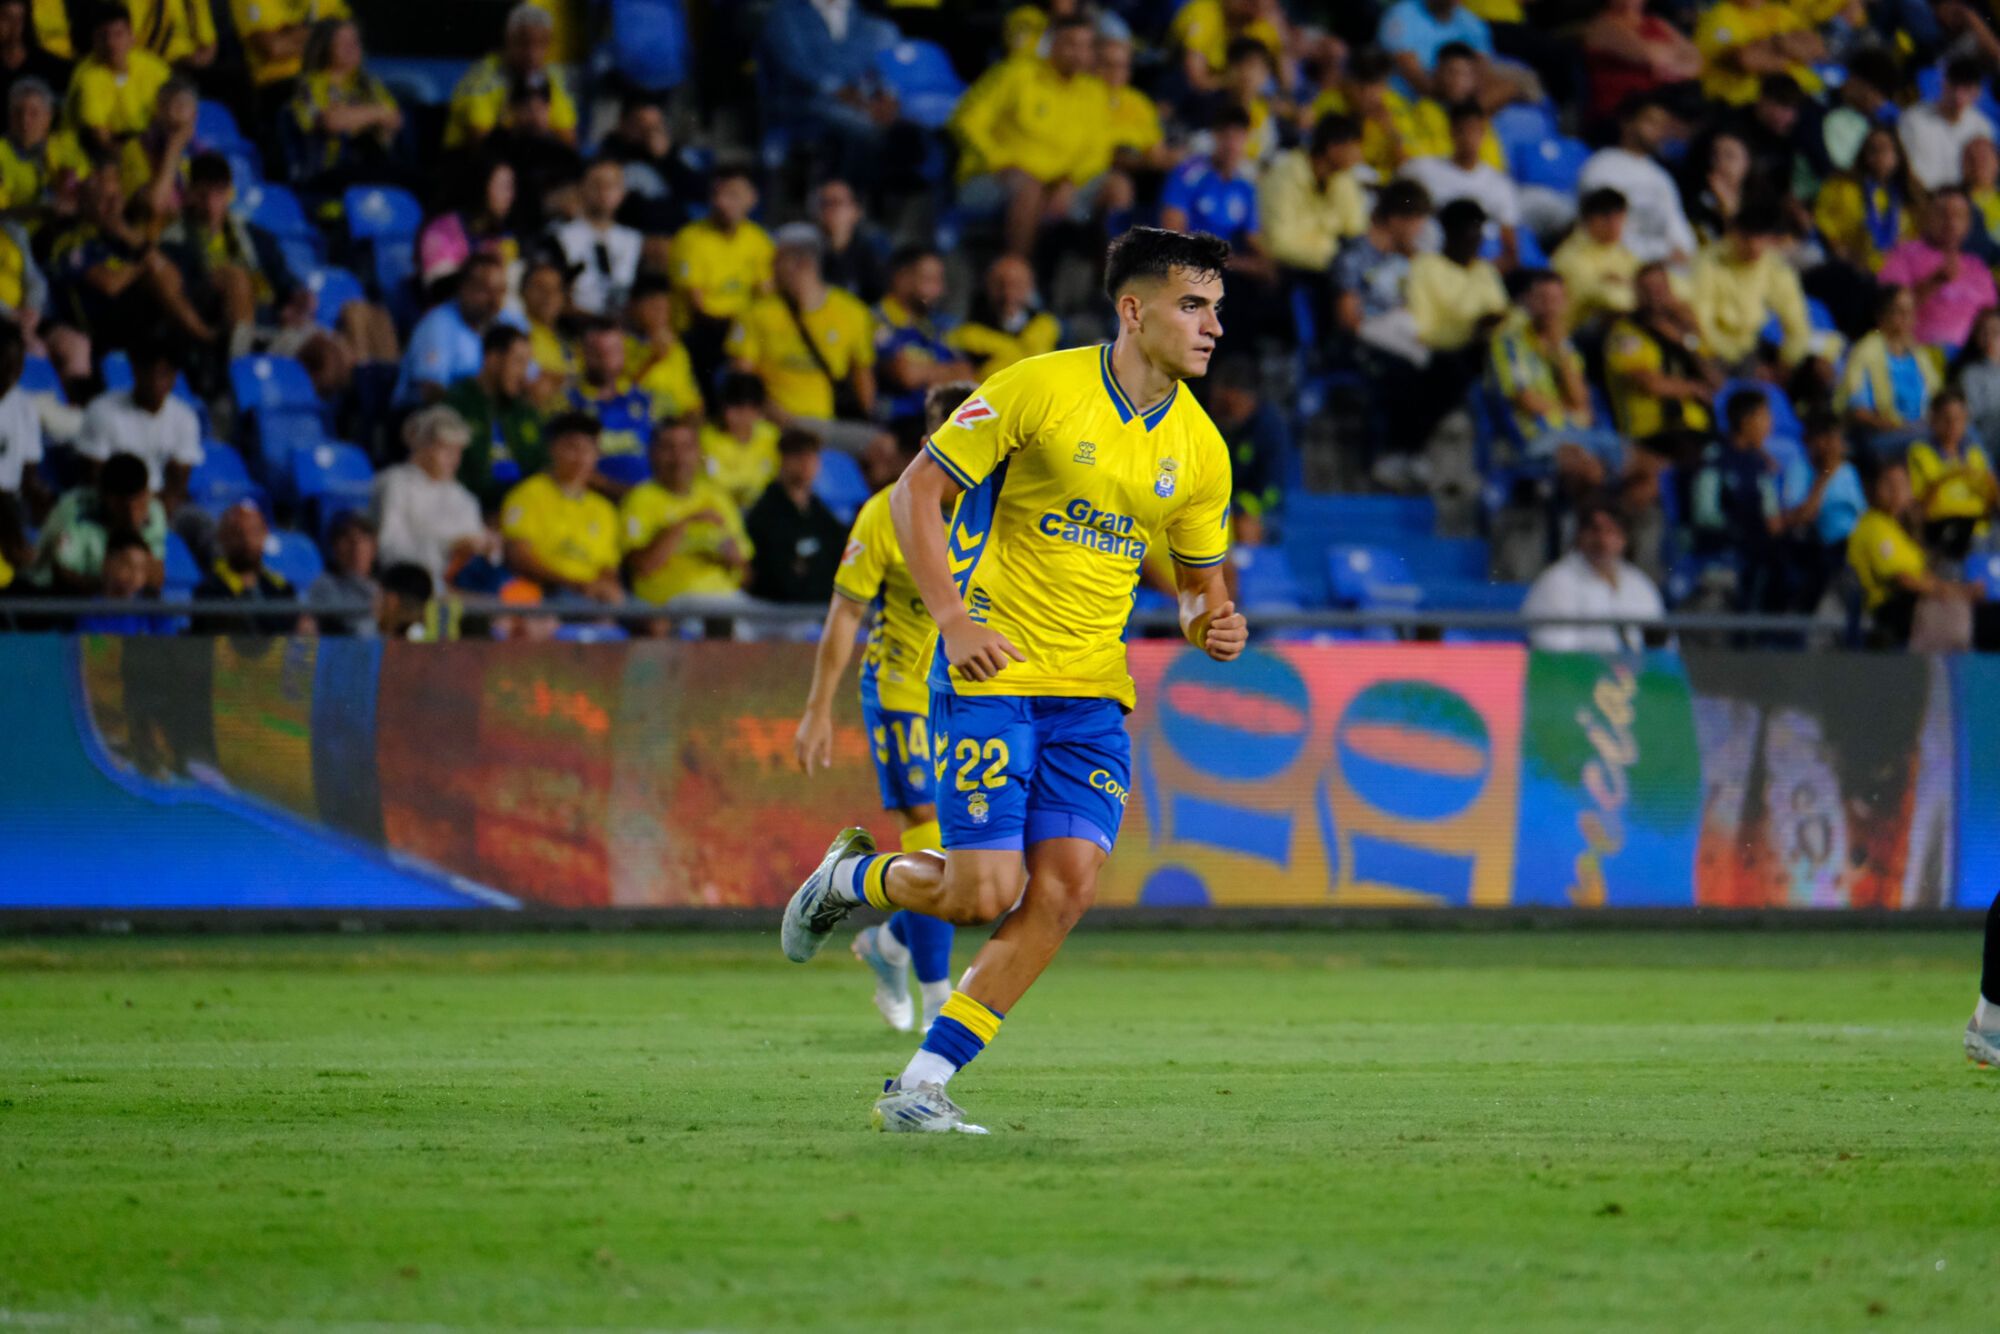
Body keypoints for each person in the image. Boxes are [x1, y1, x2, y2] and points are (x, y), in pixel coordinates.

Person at [778, 228, 1247, 1135]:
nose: (1212, 326)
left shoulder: (1201, 449)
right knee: (982, 893)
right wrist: (953, 620)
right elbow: (916, 492)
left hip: (1092, 695)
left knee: (1065, 889)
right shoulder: (1036, 387)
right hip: (995, 672)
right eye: (1194, 305)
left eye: (1218, 309)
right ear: (1134, 309)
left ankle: (918, 1086)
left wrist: (1211, 627)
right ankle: (852, 879)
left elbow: (1198, 590)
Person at [793, 382, 973, 1035]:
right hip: (900, 692)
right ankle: (938, 1006)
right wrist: (819, 709)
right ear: (930, 443)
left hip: (969, 697)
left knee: (977, 864)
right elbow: (846, 613)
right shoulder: (886, 512)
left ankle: (892, 943)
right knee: (929, 837)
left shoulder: (1004, 510)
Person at [948, 15, 1106, 259]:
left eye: (1086, 46)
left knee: (1118, 188)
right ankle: (1018, 273)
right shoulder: (1016, 74)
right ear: (1051, 44)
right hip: (993, 177)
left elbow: (1099, 150)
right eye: (1070, 44)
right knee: (1029, 188)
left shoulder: (1094, 92)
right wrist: (1000, 161)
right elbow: (965, 121)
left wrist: (1069, 181)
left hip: (1061, 184)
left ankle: (1111, 282)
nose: (1078, 53)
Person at [725, 223, 882, 457]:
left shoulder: (851, 312)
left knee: (884, 447)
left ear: (803, 264)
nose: (771, 269)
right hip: (774, 422)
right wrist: (779, 416)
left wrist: (867, 418)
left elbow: (864, 387)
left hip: (828, 425)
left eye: (777, 261)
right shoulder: (756, 314)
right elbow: (743, 384)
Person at [1490, 270, 1626, 492]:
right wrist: (1571, 411)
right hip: (1538, 437)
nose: (1549, 307)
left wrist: (1559, 352)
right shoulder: (1509, 343)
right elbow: (1526, 400)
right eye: (1542, 299)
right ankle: (1592, 523)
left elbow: (1582, 400)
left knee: (1646, 466)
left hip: (1581, 433)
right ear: (1528, 302)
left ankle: (1609, 523)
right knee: (1589, 469)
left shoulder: (1566, 345)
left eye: (1555, 300)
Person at [619, 414, 753, 609]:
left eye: (686, 447)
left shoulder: (718, 498)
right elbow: (643, 567)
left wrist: (735, 561)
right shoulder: (639, 499)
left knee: (797, 627)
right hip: (672, 603)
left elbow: (746, 576)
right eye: (668, 448)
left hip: (728, 598)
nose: (678, 457)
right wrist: (687, 522)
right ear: (652, 453)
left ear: (698, 452)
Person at [498, 411, 622, 603]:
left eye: (588, 449)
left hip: (592, 595)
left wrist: (605, 588)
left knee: (653, 620)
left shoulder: (603, 508)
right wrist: (574, 584)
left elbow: (608, 567)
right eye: (572, 447)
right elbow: (519, 557)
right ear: (552, 449)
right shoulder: (528, 494)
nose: (580, 457)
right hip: (547, 591)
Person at [1604, 262, 1719, 466]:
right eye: (1647, 289)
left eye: (1660, 287)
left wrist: (1687, 339)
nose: (1655, 294)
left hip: (1696, 426)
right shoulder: (1626, 333)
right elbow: (1650, 383)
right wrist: (1693, 389)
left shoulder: (1683, 328)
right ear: (1637, 293)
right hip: (1654, 431)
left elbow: (1716, 380)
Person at [1848, 454, 1969, 648]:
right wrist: (1952, 591)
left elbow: (1923, 574)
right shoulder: (1873, 525)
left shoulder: (1901, 529)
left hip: (1912, 609)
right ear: (1873, 489)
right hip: (1888, 612)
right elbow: (1904, 580)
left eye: (1902, 484)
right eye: (1888, 483)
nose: (1896, 490)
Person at [668, 165, 773, 387]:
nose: (722, 203)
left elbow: (766, 294)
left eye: (733, 195)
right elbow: (697, 307)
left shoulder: (759, 240)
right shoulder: (690, 239)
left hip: (743, 333)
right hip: (702, 333)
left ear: (752, 199)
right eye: (717, 194)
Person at [1520, 495, 1664, 652]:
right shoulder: (1556, 581)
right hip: (1578, 673)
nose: (1603, 540)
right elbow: (1553, 650)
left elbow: (1662, 646)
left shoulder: (1639, 582)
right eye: (1595, 530)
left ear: (1625, 538)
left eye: (1612, 531)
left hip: (1633, 673)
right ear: (1580, 535)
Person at [286, 16, 402, 202]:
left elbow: (394, 118)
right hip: (326, 171)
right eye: (343, 42)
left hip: (370, 165)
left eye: (355, 41)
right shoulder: (310, 85)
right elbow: (331, 122)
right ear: (325, 47)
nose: (352, 48)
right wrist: (374, 113)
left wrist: (350, 115)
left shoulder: (369, 85)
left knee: (414, 181)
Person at [1691, 386, 1785, 610]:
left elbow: (1771, 515)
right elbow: (1704, 513)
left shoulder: (1759, 462)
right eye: (1765, 416)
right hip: (1722, 553)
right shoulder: (1715, 459)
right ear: (1745, 420)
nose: (1770, 424)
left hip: (1755, 552)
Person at [75, 339, 200, 506]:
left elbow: (176, 488)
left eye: (164, 373)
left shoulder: (186, 418)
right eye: (149, 372)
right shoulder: (101, 411)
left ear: (175, 376)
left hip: (161, 508)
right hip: (114, 506)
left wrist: (156, 515)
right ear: (135, 370)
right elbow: (95, 480)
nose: (156, 382)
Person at [373, 404, 488, 584]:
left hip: (466, 585)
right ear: (424, 446)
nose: (454, 460)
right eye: (446, 450)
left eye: (458, 452)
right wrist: (448, 547)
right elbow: (390, 549)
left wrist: (487, 547)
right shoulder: (395, 484)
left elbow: (478, 549)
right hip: (413, 585)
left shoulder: (464, 497)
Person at [1579, 93, 1697, 266]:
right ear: (1627, 122)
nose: (1658, 131)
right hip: (1615, 266)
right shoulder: (1600, 167)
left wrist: (1684, 251)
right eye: (1651, 122)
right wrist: (1659, 254)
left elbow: (1676, 226)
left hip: (1664, 270)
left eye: (1662, 125)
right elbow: (1602, 230)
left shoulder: (1661, 177)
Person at [1690, 201, 1810, 371]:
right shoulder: (1709, 263)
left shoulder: (1776, 268)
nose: (1754, 246)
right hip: (1714, 350)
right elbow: (1700, 322)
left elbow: (1796, 323)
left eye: (1760, 238)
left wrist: (1786, 362)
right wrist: (1738, 358)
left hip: (1753, 347)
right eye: (1747, 238)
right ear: (1734, 234)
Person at [874, 245, 974, 444]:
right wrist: (943, 372)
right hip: (895, 424)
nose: (940, 289)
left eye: (940, 280)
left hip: (938, 420)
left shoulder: (939, 326)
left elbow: (965, 373)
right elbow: (905, 375)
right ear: (901, 279)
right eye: (930, 280)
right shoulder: (878, 320)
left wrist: (925, 372)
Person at [444, 3, 577, 151]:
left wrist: (544, 130)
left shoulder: (551, 80)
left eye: (541, 44)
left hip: (523, 160)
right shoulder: (483, 78)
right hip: (468, 160)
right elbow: (478, 138)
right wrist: (516, 124)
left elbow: (569, 140)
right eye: (523, 43)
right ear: (508, 40)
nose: (532, 54)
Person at [1398, 101, 1521, 260]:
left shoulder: (1500, 185)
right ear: (1451, 133)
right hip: (1425, 259)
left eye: (1475, 131)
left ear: (1483, 134)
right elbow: (1396, 209)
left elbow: (1510, 249)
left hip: (1476, 265)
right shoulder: (1421, 169)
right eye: (1463, 131)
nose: (1469, 138)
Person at [1879, 188, 1996, 351]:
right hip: (1919, 352)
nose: (1950, 222)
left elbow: (1992, 322)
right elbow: (1888, 312)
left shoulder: (1978, 267)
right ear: (1926, 217)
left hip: (1971, 360)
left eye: (1958, 215)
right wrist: (1934, 283)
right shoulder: (1904, 255)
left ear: (1968, 224)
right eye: (1942, 214)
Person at [31, 449, 164, 591]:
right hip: (51, 593)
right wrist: (110, 587)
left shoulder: (154, 511)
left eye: (140, 504)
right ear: (105, 497)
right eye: (124, 507)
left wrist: (136, 537)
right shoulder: (74, 508)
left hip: (114, 601)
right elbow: (62, 574)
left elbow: (156, 578)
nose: (132, 514)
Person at [395, 252, 517, 407]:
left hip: (483, 417)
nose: (494, 301)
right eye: (485, 290)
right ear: (463, 288)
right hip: (422, 418)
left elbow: (527, 378)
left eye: (500, 291)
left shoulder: (503, 320)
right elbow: (430, 392)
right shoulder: (438, 323)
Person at [1256, 113, 1367, 280]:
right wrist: (1333, 255)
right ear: (1333, 148)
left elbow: (1356, 231)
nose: (1359, 156)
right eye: (1354, 148)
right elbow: (1279, 244)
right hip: (1286, 271)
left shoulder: (1344, 179)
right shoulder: (1285, 177)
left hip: (1328, 269)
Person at [444, 324, 543, 508]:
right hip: (474, 509)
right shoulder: (456, 405)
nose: (524, 375)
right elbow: (449, 473)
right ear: (493, 359)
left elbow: (543, 464)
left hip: (526, 508)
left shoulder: (525, 412)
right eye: (518, 362)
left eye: (527, 364)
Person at [1777, 408, 1865, 614]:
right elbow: (1801, 517)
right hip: (1823, 547)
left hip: (1856, 543)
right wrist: (1826, 474)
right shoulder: (1801, 469)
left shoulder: (1849, 470)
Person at [744, 427, 844, 604]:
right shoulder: (766, 512)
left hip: (816, 608)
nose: (806, 462)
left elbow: (838, 557)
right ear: (783, 460)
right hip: (771, 611)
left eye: (812, 455)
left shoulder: (820, 512)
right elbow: (776, 575)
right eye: (798, 455)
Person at [1838, 285, 1938, 454]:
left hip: (1920, 429)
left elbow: (1936, 396)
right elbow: (1857, 410)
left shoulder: (1919, 354)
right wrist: (1895, 426)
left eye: (1910, 311)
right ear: (1881, 316)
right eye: (1900, 312)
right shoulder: (1865, 352)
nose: (1907, 318)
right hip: (1883, 434)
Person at [64, 3, 171, 158]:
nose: (111, 43)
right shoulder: (86, 74)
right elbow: (101, 137)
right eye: (103, 36)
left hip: (146, 142)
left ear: (132, 37)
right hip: (93, 148)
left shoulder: (155, 68)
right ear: (94, 40)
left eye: (118, 34)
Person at [1580, 0, 1702, 130]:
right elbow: (1651, 56)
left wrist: (1668, 66)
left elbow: (1696, 60)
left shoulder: (1656, 22)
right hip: (1622, 113)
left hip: (1664, 103)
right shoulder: (1602, 25)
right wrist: (1675, 57)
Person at [1908, 388, 1998, 560]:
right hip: (1945, 528)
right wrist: (1951, 476)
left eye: (1958, 418)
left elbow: (1992, 501)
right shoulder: (1919, 453)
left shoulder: (1975, 454)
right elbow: (1922, 508)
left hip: (1981, 527)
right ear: (1933, 420)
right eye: (1946, 419)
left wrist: (1993, 486)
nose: (1953, 425)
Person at [1813, 125, 1915, 277]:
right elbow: (1821, 219)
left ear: (1898, 155)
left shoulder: (1909, 195)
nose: (1880, 155)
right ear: (1864, 155)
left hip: (1894, 269)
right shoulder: (1840, 185)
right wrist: (1835, 246)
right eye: (1873, 150)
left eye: (1886, 150)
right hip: (1842, 260)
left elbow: (1916, 236)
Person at [568, 314, 658, 482]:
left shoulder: (647, 399)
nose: (606, 359)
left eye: (613, 350)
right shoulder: (568, 403)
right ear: (582, 353)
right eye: (597, 352)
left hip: (648, 500)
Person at [192, 498, 301, 634]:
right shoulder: (209, 591)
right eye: (238, 533)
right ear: (222, 537)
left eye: (254, 531)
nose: (247, 540)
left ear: (265, 535)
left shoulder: (281, 589)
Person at [549, 156, 640, 318]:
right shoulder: (562, 236)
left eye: (612, 185)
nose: (604, 191)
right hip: (576, 325)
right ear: (581, 188)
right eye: (597, 184)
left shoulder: (634, 240)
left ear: (622, 192)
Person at [417, 156, 519, 299]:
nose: (510, 196)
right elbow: (436, 287)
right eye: (502, 186)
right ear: (481, 186)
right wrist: (482, 268)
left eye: (511, 187)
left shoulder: (504, 235)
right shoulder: (443, 229)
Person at [1693, 0, 1824, 109]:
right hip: (1712, 98)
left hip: (1745, 104)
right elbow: (1743, 59)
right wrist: (1779, 44)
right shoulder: (1722, 15)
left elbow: (1815, 47)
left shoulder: (1780, 14)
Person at [948, 253, 1061, 379]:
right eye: (1000, 285)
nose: (1008, 293)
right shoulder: (968, 335)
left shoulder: (1048, 326)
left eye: (1017, 285)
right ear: (988, 287)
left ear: (1030, 286)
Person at [1207, 357, 1288, 521]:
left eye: (1228, 406)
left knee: (1246, 524)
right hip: (1209, 506)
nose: (1221, 411)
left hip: (1255, 512)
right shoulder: (1205, 420)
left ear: (1248, 400)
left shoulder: (1269, 428)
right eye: (1218, 403)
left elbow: (1273, 491)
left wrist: (1240, 508)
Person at [1900, 55, 1995, 193]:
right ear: (1943, 84)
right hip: (1921, 196)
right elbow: (1908, 170)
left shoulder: (1983, 128)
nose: (1958, 95)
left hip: (1963, 203)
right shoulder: (1913, 119)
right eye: (1954, 86)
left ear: (1977, 93)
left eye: (1967, 89)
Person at [1550, 187, 1638, 331]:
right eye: (1607, 219)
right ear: (1589, 219)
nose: (1615, 226)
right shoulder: (1570, 256)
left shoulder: (1621, 252)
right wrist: (1632, 286)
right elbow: (1603, 298)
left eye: (1619, 218)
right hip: (1576, 331)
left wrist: (1623, 284)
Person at [700, 371, 780, 512]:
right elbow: (710, 482)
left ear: (757, 411)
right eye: (728, 408)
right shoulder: (705, 438)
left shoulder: (771, 436)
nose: (730, 416)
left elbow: (777, 480)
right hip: (720, 509)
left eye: (741, 409)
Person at [76, 529, 174, 633]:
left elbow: (169, 646)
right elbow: (94, 648)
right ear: (108, 563)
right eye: (128, 565)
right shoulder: (90, 612)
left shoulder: (154, 612)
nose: (135, 576)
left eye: (141, 569)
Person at [813, 178, 888, 306]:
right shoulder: (806, 251)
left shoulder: (872, 254)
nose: (832, 209)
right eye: (825, 203)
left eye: (838, 202)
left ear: (856, 211)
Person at [305, 508, 378, 636]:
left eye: (363, 538)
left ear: (374, 547)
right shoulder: (323, 586)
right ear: (334, 547)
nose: (356, 545)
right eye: (346, 537)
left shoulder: (388, 587)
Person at [1955, 306, 2000, 451]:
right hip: (1988, 438)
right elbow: (1972, 418)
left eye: (1995, 332)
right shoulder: (1970, 374)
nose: (1989, 337)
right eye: (1983, 332)